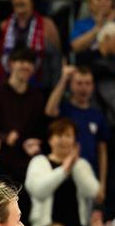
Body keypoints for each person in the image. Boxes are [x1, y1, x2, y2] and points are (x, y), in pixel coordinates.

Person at [25, 118, 99, 226]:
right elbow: (38, 190)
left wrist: (74, 164)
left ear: (74, 141)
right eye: (59, 135)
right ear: (50, 140)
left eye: (68, 135)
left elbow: (93, 191)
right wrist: (64, 169)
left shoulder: (81, 164)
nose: (64, 140)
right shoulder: (39, 161)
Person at [0, 48, 45, 182]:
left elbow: (39, 130)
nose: (26, 66)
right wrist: (4, 137)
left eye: (30, 63)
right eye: (22, 61)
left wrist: (34, 142)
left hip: (25, 164)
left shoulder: (37, 98)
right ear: (11, 64)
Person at [45, 65, 109, 202]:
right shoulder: (64, 109)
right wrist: (64, 79)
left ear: (92, 86)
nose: (83, 88)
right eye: (79, 83)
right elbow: (49, 110)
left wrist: (102, 183)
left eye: (87, 83)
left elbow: (102, 151)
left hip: (89, 173)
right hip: (64, 170)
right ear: (71, 85)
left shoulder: (97, 115)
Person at [0, 0, 61, 88]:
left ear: (33, 0)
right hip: (9, 87)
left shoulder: (47, 25)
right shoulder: (4, 26)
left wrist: (56, 89)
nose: (18, 0)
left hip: (41, 87)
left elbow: (56, 61)